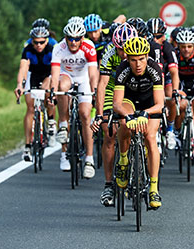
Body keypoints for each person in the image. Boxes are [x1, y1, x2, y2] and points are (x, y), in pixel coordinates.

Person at [113, 36, 165, 209]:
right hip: (129, 100)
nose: (138, 64)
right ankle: (123, 160)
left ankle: (153, 188)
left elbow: (160, 104)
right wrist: (128, 117)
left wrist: (145, 113)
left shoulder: (154, 68)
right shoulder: (122, 69)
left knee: (150, 138)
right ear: (127, 58)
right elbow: (117, 103)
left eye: (141, 59)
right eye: (133, 60)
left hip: (149, 103)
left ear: (147, 56)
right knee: (124, 123)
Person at [90, 23, 136, 207]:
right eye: (120, 50)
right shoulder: (109, 52)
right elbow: (102, 85)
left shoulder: (140, 51)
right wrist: (100, 115)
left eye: (126, 50)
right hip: (111, 90)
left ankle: (137, 164)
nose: (124, 55)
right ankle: (109, 184)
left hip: (133, 91)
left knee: (132, 125)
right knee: (108, 134)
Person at [50, 19, 98, 177]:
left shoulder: (89, 47)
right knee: (61, 88)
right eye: (70, 38)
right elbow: (55, 74)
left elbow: (92, 74)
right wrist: (52, 91)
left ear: (82, 38)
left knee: (85, 115)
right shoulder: (59, 48)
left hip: (83, 78)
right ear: (65, 38)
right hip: (66, 76)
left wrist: (95, 92)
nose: (73, 42)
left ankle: (89, 159)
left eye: (77, 39)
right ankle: (63, 125)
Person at [14, 26, 55, 162]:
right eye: (36, 42)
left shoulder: (51, 49)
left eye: (42, 42)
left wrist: (51, 86)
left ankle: (50, 120)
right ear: (31, 41)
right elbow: (23, 68)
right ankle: (27, 145)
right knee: (30, 108)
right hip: (33, 75)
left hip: (48, 75)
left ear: (46, 41)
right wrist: (20, 85)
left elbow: (56, 70)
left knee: (47, 91)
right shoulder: (28, 50)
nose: (38, 45)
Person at [147, 17, 180, 150]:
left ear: (164, 35)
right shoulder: (147, 45)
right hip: (150, 77)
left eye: (158, 36)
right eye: (152, 36)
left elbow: (174, 72)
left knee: (170, 97)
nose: (155, 40)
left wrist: (175, 91)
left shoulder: (167, 47)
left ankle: (170, 130)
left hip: (165, 76)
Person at [174, 28, 194, 162]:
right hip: (181, 83)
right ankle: (177, 132)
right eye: (183, 47)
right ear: (178, 46)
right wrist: (176, 91)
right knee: (181, 105)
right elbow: (173, 76)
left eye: (189, 46)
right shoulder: (175, 55)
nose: (186, 50)